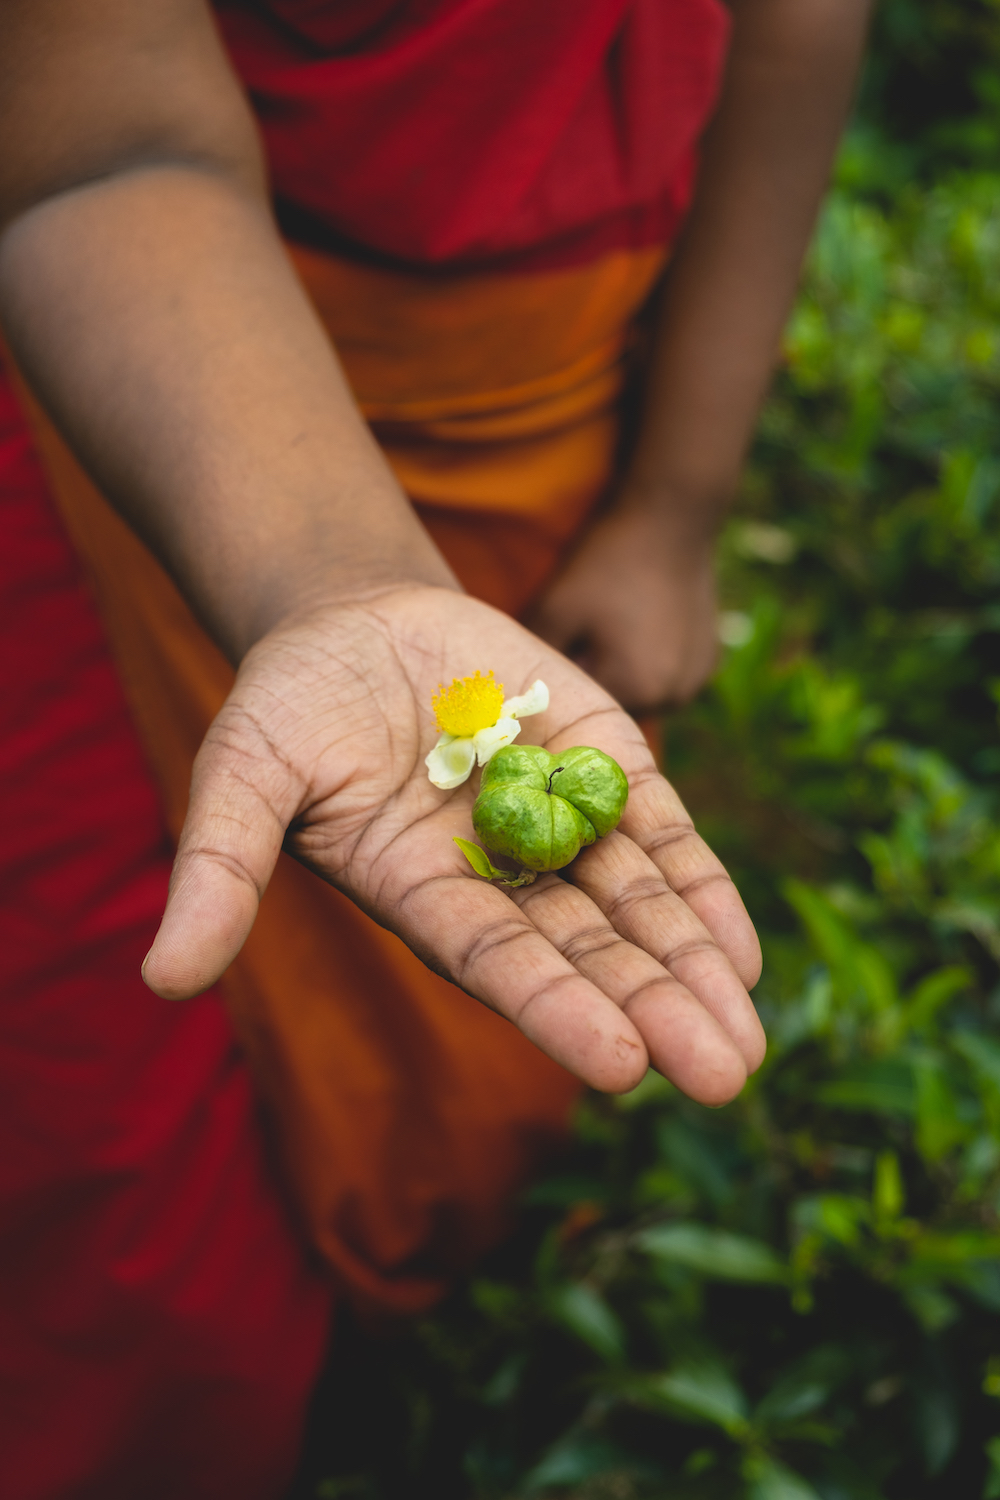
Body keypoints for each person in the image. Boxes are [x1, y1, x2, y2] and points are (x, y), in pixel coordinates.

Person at [0, 1, 872, 1495]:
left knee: (474, 1078)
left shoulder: (521, 742)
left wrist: (674, 508)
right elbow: (97, 146)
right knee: (106, 1141)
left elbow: (800, 29)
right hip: (141, 401)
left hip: (537, 382)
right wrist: (341, 585)